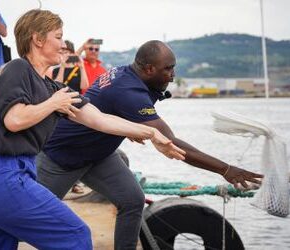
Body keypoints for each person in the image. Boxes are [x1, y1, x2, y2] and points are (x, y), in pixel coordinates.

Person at [0, 10, 185, 250]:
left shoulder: (53, 88)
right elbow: (14, 120)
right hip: (3, 175)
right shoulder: (18, 69)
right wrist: (53, 104)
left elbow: (100, 120)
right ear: (38, 40)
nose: (63, 45)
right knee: (76, 235)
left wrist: (151, 133)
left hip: (3, 180)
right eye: (58, 37)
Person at [36, 40, 264, 249]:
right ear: (148, 69)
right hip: (61, 158)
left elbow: (107, 105)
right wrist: (225, 169)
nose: (173, 75)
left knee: (132, 200)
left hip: (99, 155)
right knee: (31, 216)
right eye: (167, 69)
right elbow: (171, 143)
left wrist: (130, 127)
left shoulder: (126, 72)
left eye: (173, 67)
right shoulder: (130, 92)